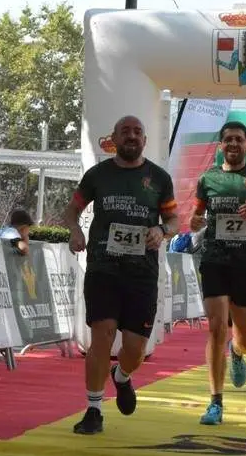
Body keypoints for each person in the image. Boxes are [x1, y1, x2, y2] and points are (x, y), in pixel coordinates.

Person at [62, 115, 178, 435]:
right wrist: (75, 232)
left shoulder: (159, 178)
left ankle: (123, 376)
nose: (131, 136)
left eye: (137, 132)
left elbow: (174, 220)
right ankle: (93, 409)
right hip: (104, 268)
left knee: (134, 348)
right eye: (125, 131)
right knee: (103, 334)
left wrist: (162, 230)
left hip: (141, 273)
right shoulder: (97, 175)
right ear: (113, 138)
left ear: (144, 140)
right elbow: (72, 211)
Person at [190, 121, 246, 426]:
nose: (233, 144)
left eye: (238, 140)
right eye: (228, 139)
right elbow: (198, 213)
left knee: (245, 338)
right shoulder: (208, 179)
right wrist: (194, 221)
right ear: (221, 146)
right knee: (216, 327)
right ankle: (215, 402)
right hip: (215, 260)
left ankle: (238, 352)